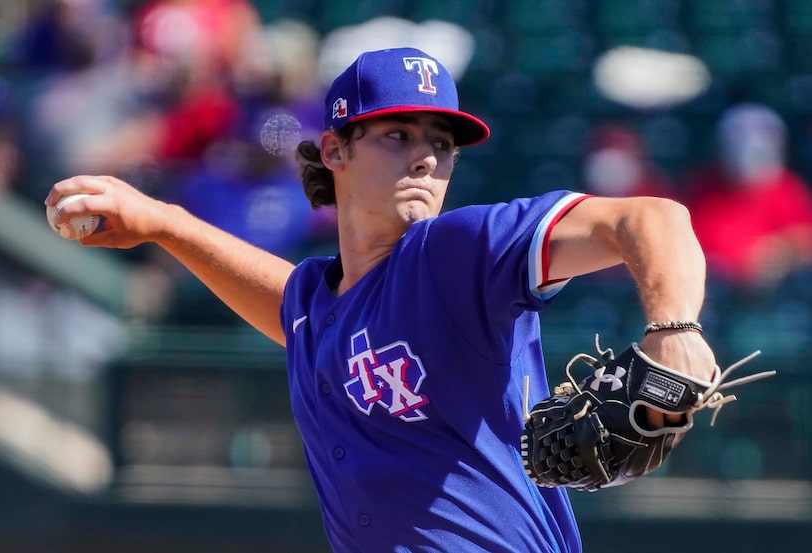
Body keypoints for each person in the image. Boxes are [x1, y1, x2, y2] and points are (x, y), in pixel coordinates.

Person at [46, 47, 717, 553]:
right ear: (334, 149)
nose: (426, 158)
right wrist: (166, 221)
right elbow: (292, 307)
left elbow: (653, 219)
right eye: (398, 135)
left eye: (441, 143)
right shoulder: (319, 301)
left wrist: (676, 325)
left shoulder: (458, 250)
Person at [679, 102, 812, 288]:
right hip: (705, 285)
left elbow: (803, 242)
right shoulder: (702, 186)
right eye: (739, 148)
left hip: (761, 295)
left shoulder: (787, 189)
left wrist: (778, 253)